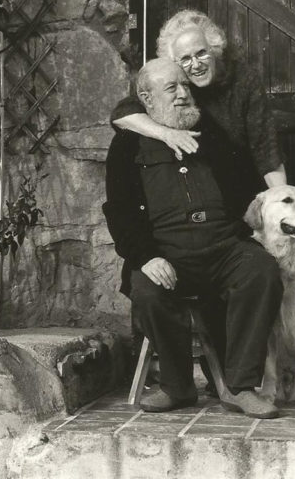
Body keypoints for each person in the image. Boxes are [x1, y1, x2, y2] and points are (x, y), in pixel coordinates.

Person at [103, 58, 282, 418]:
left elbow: (246, 185)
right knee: (147, 291)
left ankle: (240, 386)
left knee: (261, 270)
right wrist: (146, 257)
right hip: (166, 254)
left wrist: (251, 228)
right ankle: (177, 386)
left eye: (185, 86)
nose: (183, 94)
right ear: (146, 99)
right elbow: (119, 212)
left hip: (223, 248)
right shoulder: (127, 146)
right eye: (172, 88)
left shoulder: (213, 135)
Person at [112, 9, 287, 221]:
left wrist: (285, 204)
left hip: (241, 182)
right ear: (174, 63)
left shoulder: (244, 81)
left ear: (214, 49)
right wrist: (167, 133)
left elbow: (267, 154)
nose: (195, 65)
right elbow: (122, 113)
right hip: (198, 188)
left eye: (201, 53)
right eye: (185, 59)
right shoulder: (179, 83)